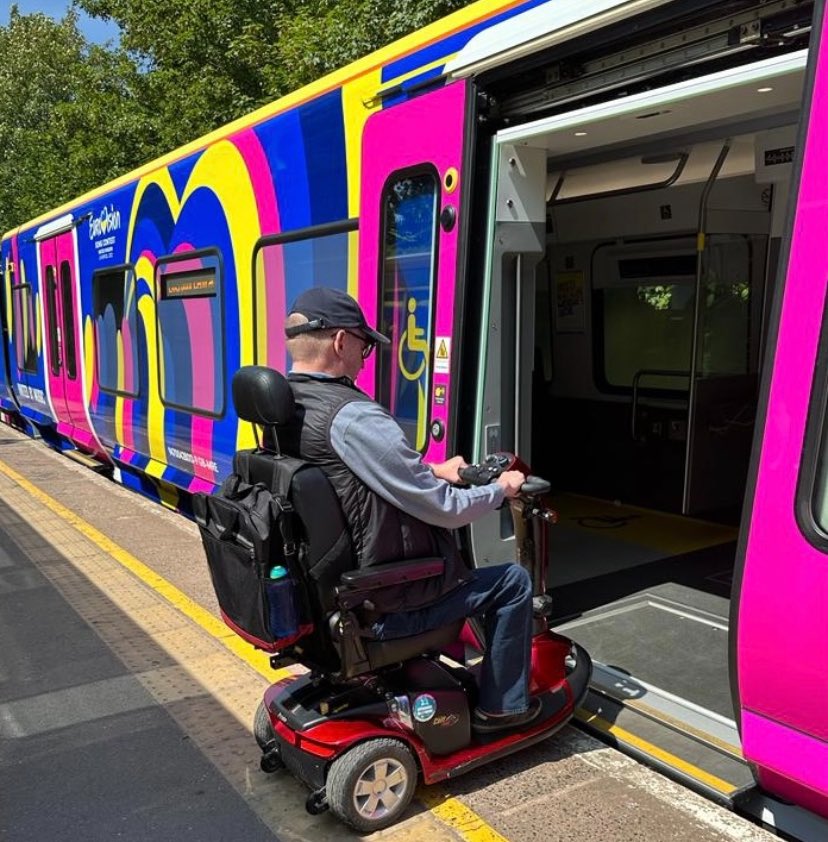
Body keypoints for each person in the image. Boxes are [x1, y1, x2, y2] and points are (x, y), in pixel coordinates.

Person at [281, 286, 540, 733]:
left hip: (331, 593)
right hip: (384, 604)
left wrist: (432, 470)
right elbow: (445, 511)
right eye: (363, 345)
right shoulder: (354, 416)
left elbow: (348, 480)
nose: (365, 358)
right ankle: (502, 707)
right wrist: (500, 488)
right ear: (341, 342)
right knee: (512, 583)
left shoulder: (289, 404)